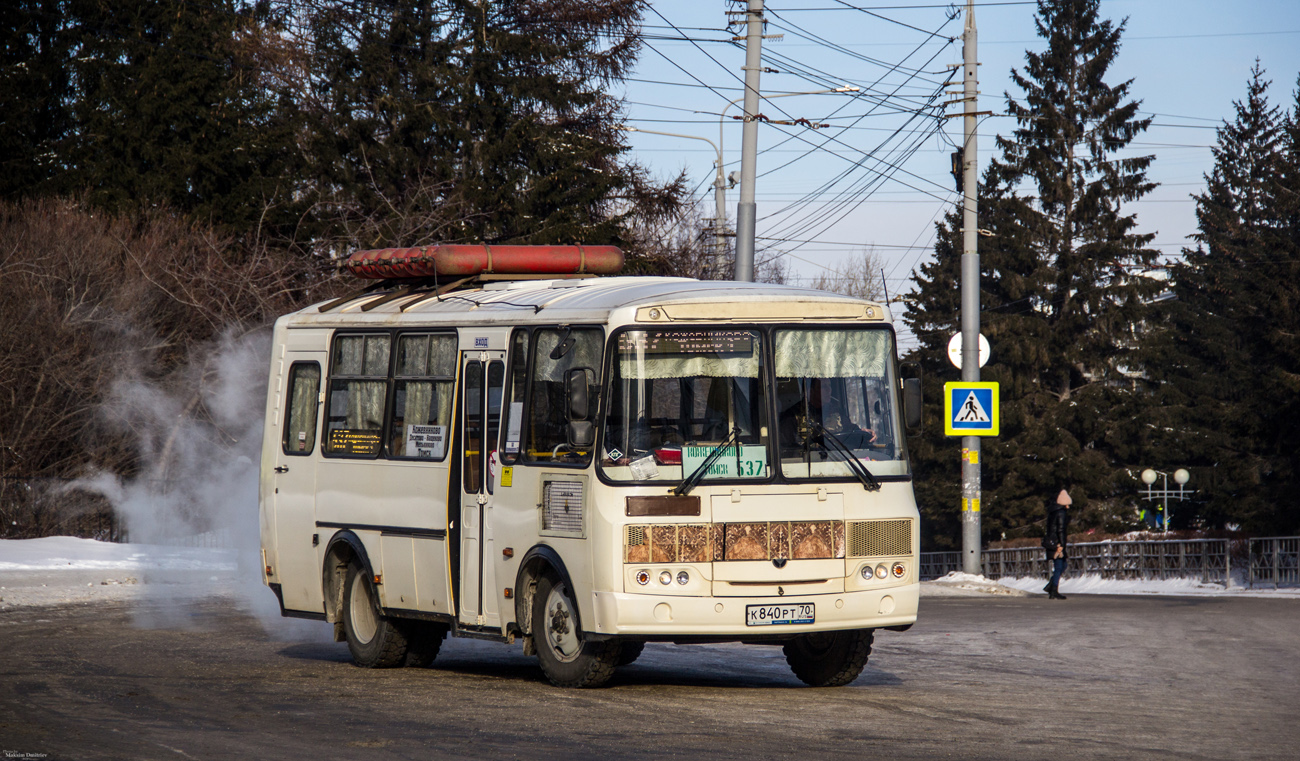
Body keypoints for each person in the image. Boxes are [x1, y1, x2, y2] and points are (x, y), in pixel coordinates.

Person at [1042, 489, 1071, 600]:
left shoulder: (1053, 512)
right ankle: (1053, 590)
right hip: (1057, 544)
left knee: (1062, 565)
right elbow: (1061, 530)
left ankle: (1051, 586)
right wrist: (1062, 545)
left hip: (1051, 542)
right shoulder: (1061, 513)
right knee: (1060, 566)